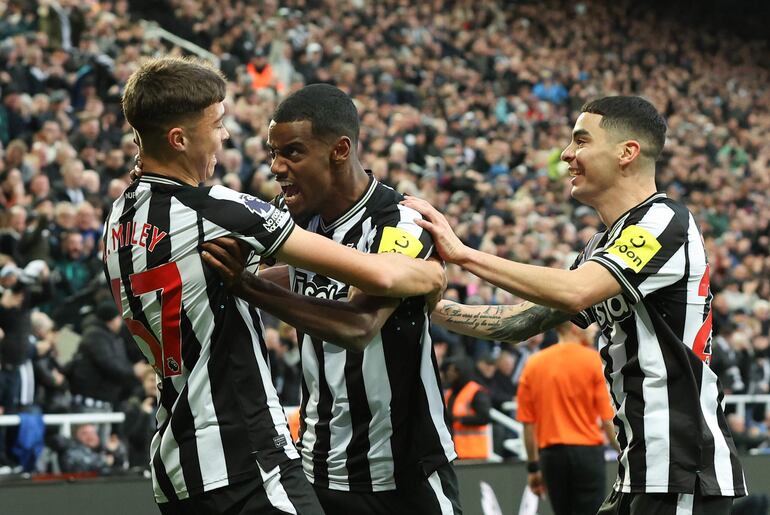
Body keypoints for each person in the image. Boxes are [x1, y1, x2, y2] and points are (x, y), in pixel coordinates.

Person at [104, 57, 443, 515]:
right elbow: (381, 276)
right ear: (179, 139)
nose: (225, 136)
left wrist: (255, 282)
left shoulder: (119, 217)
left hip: (178, 462)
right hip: (241, 454)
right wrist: (434, 271)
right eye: (217, 124)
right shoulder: (218, 211)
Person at [405, 96, 746, 514]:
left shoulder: (664, 220)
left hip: (683, 469)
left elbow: (574, 291)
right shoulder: (601, 246)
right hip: (642, 470)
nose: (566, 154)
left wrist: (463, 254)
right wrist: (419, 304)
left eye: (580, 141)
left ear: (627, 152)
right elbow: (517, 323)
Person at [201, 84, 461, 514]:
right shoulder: (289, 217)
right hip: (318, 468)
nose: (277, 168)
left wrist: (248, 286)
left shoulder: (401, 223)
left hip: (406, 471)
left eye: (293, 153)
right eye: (273, 153)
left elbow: (359, 326)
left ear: (340, 149)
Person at [516, 321, 618, 515]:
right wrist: (624, 453)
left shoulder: (534, 363)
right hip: (587, 454)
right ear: (574, 326)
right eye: (590, 323)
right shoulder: (593, 360)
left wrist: (533, 467)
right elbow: (607, 420)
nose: (595, 328)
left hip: (551, 457)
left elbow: (528, 423)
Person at [441, 355, 492, 460]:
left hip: (474, 454)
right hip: (454, 453)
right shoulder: (450, 393)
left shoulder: (476, 391)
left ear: (462, 371)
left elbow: (484, 418)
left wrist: (460, 420)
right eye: (449, 370)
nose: (450, 374)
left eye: (454, 370)